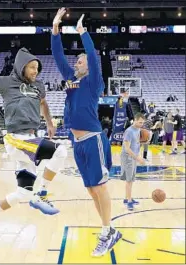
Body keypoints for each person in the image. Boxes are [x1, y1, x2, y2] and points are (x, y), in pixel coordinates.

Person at [0, 42, 67, 242]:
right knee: (61, 151)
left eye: (37, 68)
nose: (36, 71)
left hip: (30, 139)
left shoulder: (39, 86)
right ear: (22, 66)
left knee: (23, 193)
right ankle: (42, 193)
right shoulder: (5, 82)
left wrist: (49, 122)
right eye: (32, 67)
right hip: (17, 139)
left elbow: (43, 104)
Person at [51, 8, 121, 257]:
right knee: (91, 189)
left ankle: (107, 231)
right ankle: (108, 230)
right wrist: (56, 28)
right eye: (76, 61)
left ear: (87, 67)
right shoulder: (71, 78)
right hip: (77, 142)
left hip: (93, 139)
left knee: (100, 188)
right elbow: (58, 55)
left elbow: (92, 55)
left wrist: (83, 33)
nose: (76, 63)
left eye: (79, 61)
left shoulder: (94, 81)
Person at [121, 112, 146, 211]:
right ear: (135, 120)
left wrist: (139, 154)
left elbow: (136, 143)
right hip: (128, 157)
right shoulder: (129, 131)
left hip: (133, 157)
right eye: (140, 122)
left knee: (131, 180)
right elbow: (127, 148)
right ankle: (129, 201)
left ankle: (128, 198)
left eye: (142, 123)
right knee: (129, 180)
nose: (141, 124)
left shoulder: (138, 129)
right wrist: (138, 158)